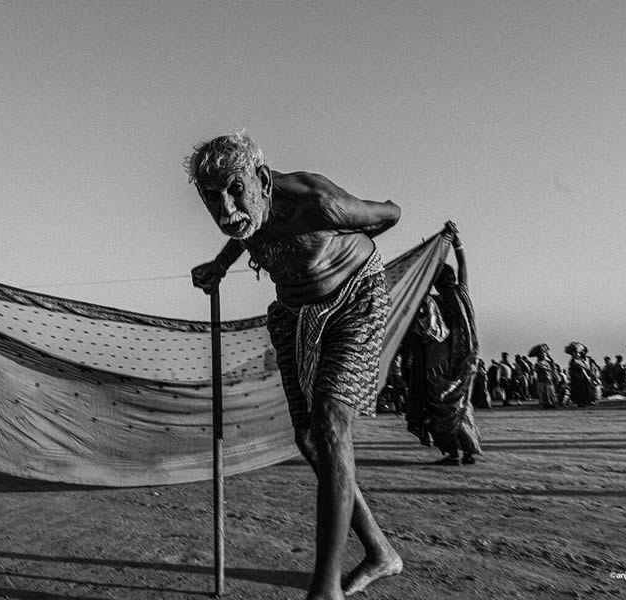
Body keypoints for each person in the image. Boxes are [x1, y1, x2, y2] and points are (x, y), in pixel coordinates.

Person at [186, 132, 403, 599]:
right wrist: (220, 265)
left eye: (234, 190)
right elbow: (249, 229)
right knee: (309, 438)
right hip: (293, 312)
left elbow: (391, 213)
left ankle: (324, 590)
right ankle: (379, 552)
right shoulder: (246, 211)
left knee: (330, 424)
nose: (224, 210)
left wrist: (340, 245)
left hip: (355, 299)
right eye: (211, 198)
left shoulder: (320, 203)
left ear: (262, 179)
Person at [403, 223, 482, 466]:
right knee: (460, 404)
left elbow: (424, 328)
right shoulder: (463, 293)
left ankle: (452, 452)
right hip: (464, 360)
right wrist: (456, 242)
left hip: (438, 360)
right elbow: (464, 266)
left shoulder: (431, 301)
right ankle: (468, 450)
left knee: (439, 406)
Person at [565, 342, 597, 407]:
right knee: (579, 390)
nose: (579, 354)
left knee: (585, 389)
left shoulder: (581, 360)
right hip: (577, 378)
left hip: (582, 377)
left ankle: (586, 401)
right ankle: (581, 402)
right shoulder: (574, 361)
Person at [530, 344, 558, 408]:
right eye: (542, 355)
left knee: (550, 392)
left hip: (548, 378)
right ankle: (546, 404)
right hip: (542, 379)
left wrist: (547, 354)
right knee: (543, 392)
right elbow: (535, 371)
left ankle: (550, 403)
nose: (543, 356)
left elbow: (552, 362)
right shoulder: (538, 363)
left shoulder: (547, 362)